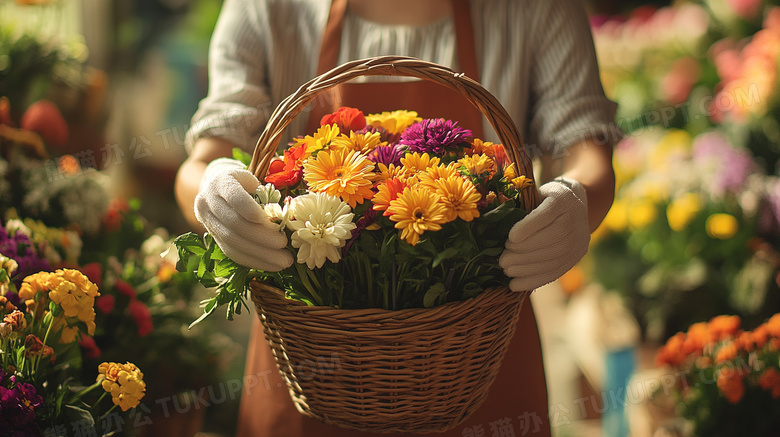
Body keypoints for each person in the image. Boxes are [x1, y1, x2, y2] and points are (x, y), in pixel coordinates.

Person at [175, 0, 619, 435]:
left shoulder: (539, 9)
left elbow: (586, 151)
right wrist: (215, 188)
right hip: (306, 354)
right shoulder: (266, 7)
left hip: (480, 349)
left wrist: (575, 198)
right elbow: (206, 156)